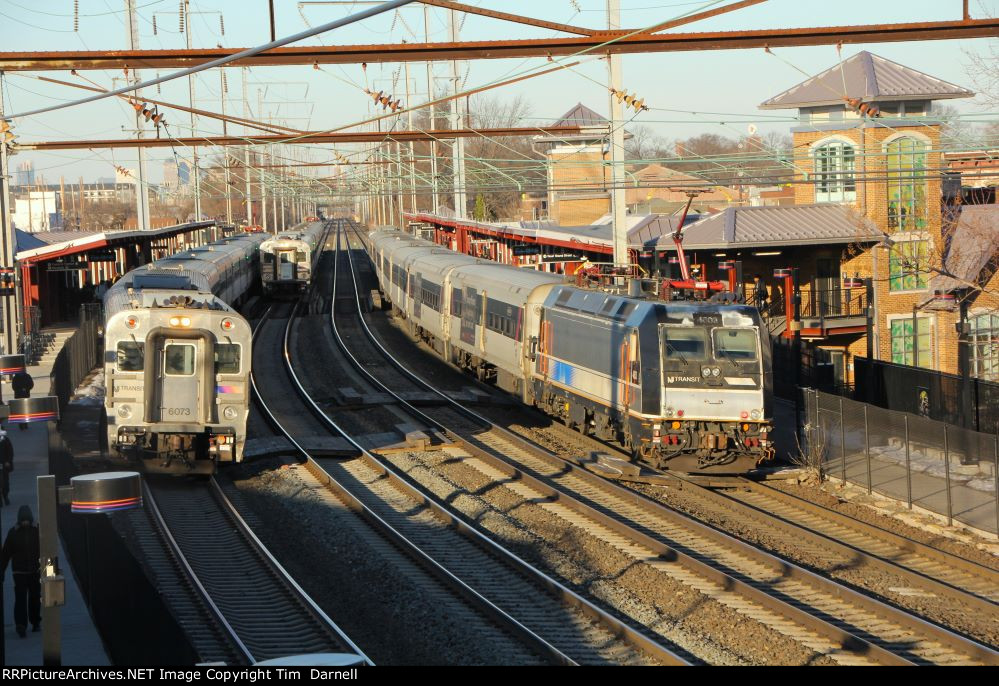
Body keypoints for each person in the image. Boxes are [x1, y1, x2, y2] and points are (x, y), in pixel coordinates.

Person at [1, 505, 41, 637]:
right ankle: (21, 625)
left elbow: (46, 550)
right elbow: (5, 554)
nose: (25, 522)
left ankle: (34, 622)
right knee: (21, 599)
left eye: (26, 520)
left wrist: (50, 572)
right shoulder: (32, 531)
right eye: (23, 520)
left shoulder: (34, 531)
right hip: (20, 572)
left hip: (33, 571)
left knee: (34, 598)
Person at [0, 430, 12, 506]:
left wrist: (8, 461)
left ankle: (5, 496)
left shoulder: (5, 439)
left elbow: (10, 450)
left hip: (3, 464)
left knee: (5, 482)